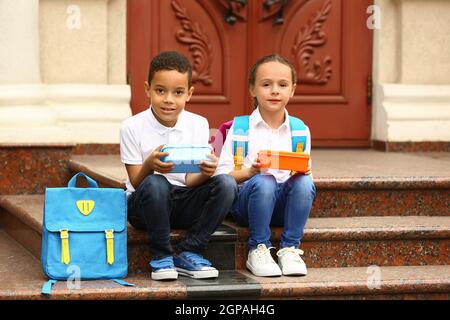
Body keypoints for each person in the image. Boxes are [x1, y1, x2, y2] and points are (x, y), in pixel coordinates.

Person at [120, 51, 237, 281]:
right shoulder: (131, 126)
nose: (169, 100)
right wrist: (149, 165)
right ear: (147, 89)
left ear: (189, 94)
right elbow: (135, 181)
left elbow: (189, 180)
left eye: (178, 92)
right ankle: (161, 256)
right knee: (157, 182)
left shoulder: (198, 123)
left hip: (183, 200)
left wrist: (206, 173)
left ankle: (190, 251)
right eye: (160, 90)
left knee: (227, 183)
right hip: (144, 205)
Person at [215, 54, 316, 277]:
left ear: (293, 90)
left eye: (282, 85)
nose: (275, 91)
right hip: (248, 203)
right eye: (266, 84)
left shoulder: (299, 130)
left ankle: (289, 248)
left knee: (304, 181)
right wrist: (251, 171)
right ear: (252, 89)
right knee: (264, 180)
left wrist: (303, 170)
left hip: (282, 206)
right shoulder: (240, 128)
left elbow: (302, 180)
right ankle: (257, 247)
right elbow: (222, 177)